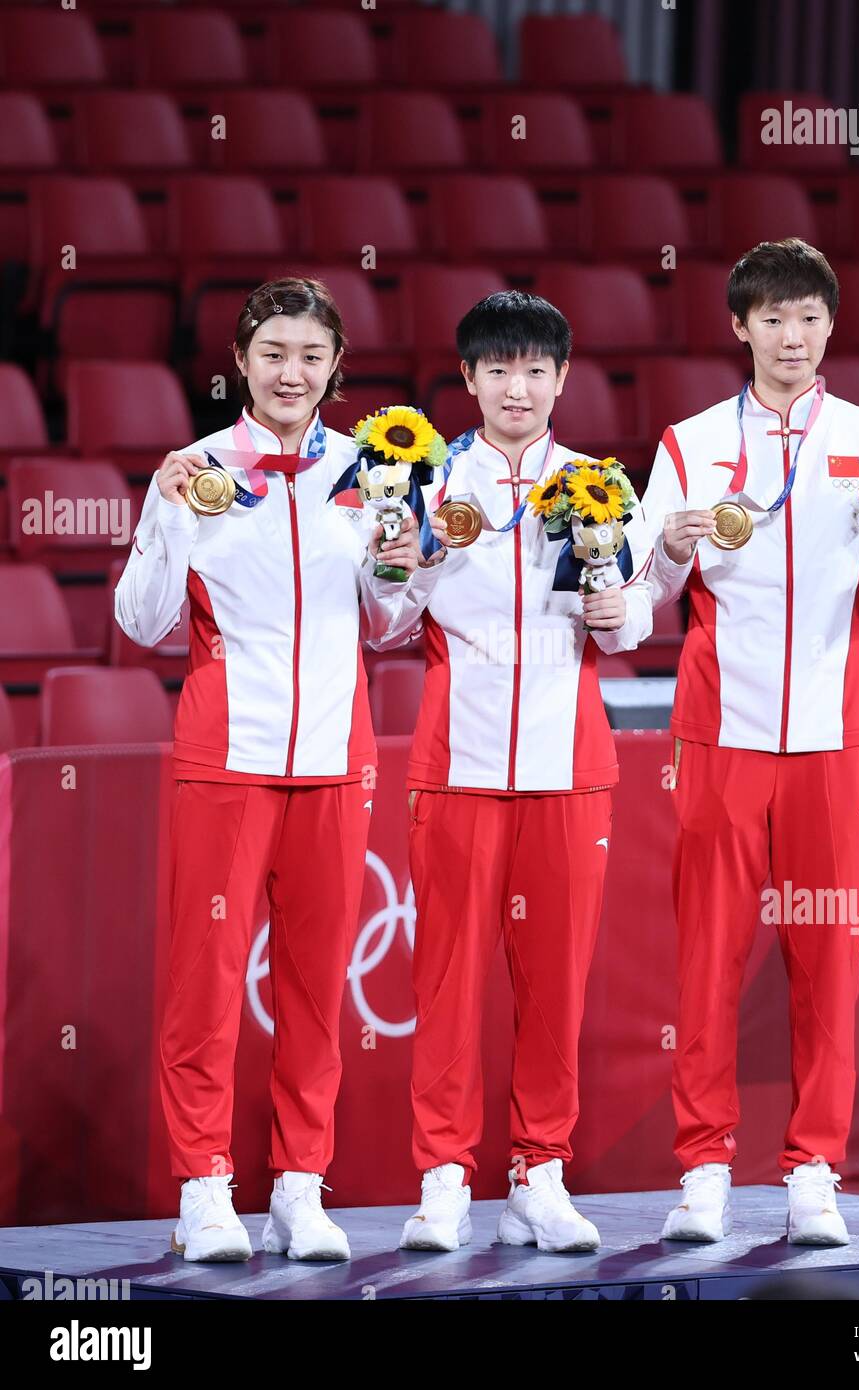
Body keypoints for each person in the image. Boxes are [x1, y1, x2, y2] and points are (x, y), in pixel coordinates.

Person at [115, 277, 432, 1263]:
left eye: (310, 355)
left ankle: (300, 1186)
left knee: (313, 985)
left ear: (336, 368)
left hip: (338, 761)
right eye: (273, 353)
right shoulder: (197, 470)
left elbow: (391, 628)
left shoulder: (370, 468)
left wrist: (399, 562)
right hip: (227, 753)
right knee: (203, 985)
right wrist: (167, 520)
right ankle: (204, 1187)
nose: (291, 372)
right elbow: (141, 620)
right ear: (242, 363)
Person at [640, 239, 859, 1247]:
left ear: (830, 326)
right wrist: (668, 552)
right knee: (706, 962)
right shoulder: (686, 443)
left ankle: (814, 1169)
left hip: (832, 730)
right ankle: (703, 1168)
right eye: (771, 317)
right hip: (720, 727)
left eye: (808, 316)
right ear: (739, 327)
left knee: (829, 961)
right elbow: (633, 605)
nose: (791, 336)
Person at [364, 290, 653, 1253]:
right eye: (498, 370)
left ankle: (541, 1171)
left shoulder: (601, 485)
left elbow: (639, 606)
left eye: (535, 370)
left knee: (556, 983)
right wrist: (410, 561)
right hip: (459, 760)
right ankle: (443, 1175)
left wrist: (623, 615)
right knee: (447, 981)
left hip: (570, 765)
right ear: (469, 379)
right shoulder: (428, 478)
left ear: (562, 379)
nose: (516, 387)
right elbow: (391, 621)